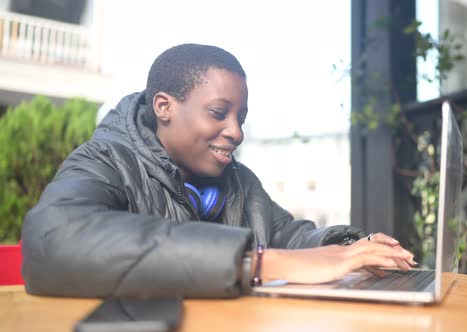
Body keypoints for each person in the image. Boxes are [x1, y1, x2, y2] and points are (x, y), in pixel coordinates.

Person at [21, 44, 416, 298]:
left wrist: (351, 249)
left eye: (241, 117)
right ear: (164, 107)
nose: (237, 132)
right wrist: (257, 263)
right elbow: (53, 240)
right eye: (218, 113)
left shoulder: (238, 182)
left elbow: (288, 236)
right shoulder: (103, 161)